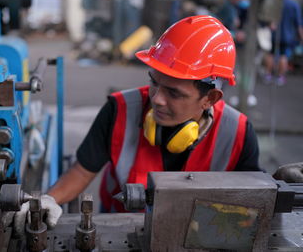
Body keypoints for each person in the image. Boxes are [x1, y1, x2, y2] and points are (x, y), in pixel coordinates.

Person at [27, 15, 261, 228]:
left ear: (209, 98)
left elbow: (253, 204)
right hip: (118, 227)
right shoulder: (119, 110)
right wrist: (49, 199)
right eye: (154, 83)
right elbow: (81, 171)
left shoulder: (236, 132)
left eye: (174, 93)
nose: (157, 99)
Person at [263, 0, 303, 86]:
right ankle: (280, 77)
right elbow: (298, 24)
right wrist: (301, 37)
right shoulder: (294, 5)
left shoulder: (274, 4)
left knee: (270, 54)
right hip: (287, 35)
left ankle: (268, 75)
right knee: (283, 56)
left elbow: (267, 19)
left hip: (273, 34)